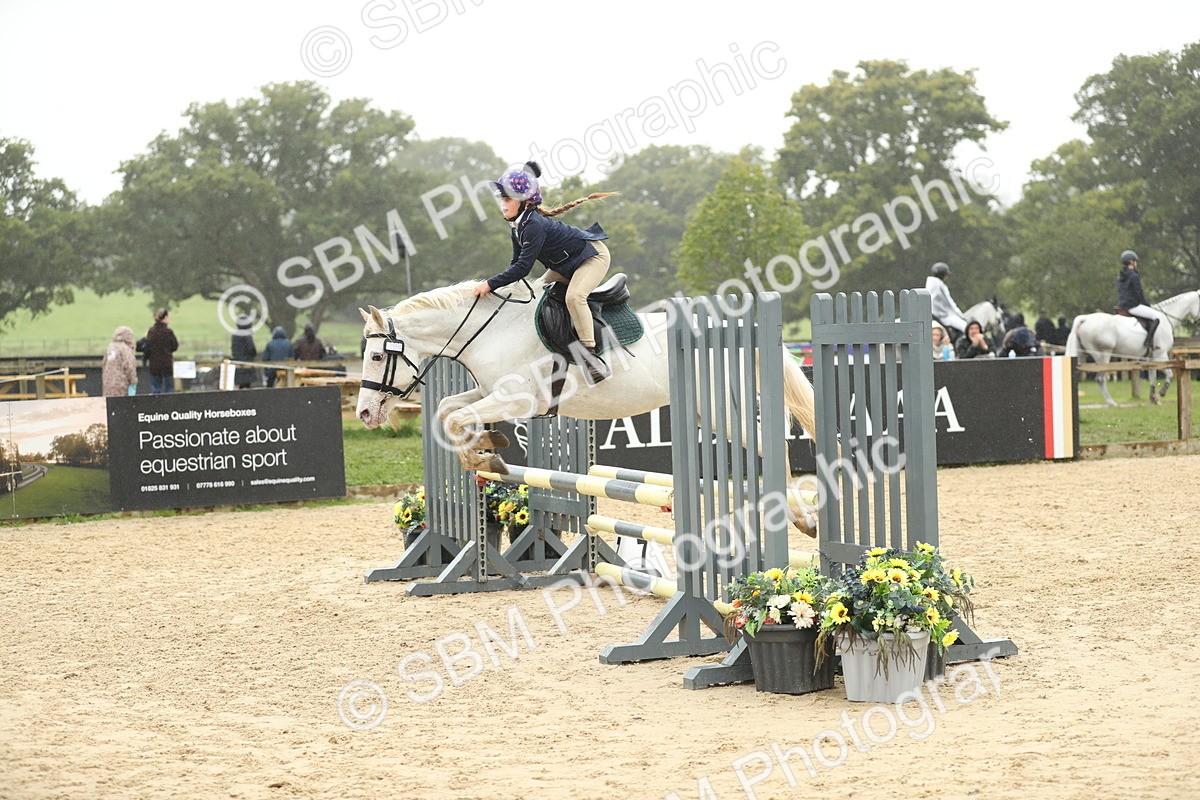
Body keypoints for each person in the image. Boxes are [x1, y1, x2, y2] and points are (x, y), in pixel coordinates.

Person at [473, 161, 618, 384]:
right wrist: (501, 291)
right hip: (566, 264)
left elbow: (523, 268)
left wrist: (490, 284)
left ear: (525, 202)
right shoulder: (518, 228)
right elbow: (515, 266)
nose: (503, 204)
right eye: (502, 199)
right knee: (538, 291)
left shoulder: (534, 225)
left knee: (574, 297)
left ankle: (591, 356)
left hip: (592, 256)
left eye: (507, 199)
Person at [1116, 249, 1166, 352]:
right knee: (1157, 316)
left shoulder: (1120, 276)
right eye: (1135, 261)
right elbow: (1139, 294)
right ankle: (1148, 342)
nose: (1136, 263)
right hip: (1132, 306)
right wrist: (1147, 304)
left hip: (1121, 306)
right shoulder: (1134, 276)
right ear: (1131, 262)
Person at [924, 262, 967, 341]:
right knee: (965, 327)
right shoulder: (940, 285)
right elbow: (950, 303)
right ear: (943, 275)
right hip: (942, 315)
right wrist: (962, 316)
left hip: (933, 314)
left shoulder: (930, 283)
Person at [144, 308, 179, 394]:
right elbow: (175, 346)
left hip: (154, 365)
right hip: (166, 365)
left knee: (155, 389)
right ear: (165, 317)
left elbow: (148, 347)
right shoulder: (168, 332)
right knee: (168, 389)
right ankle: (168, 407)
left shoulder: (151, 331)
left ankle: (156, 406)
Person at [101, 326, 138, 397]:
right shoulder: (126, 349)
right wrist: (133, 382)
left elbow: (104, 364)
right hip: (122, 385)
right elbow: (130, 367)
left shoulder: (110, 347)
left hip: (108, 384)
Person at [230, 316, 258, 390]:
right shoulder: (246, 334)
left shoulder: (234, 335)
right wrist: (254, 355)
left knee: (241, 386)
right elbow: (251, 348)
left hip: (237, 361)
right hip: (247, 362)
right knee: (247, 385)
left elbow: (233, 349)